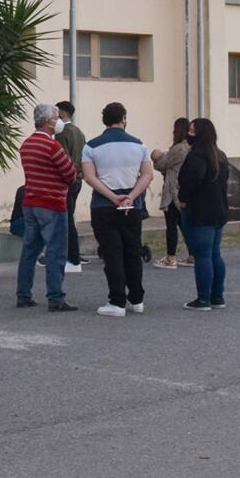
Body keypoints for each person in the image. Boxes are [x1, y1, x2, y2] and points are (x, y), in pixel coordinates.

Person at [82, 102, 155, 318]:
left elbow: (89, 176)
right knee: (132, 250)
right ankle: (137, 298)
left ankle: (116, 300)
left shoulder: (91, 146)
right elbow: (148, 174)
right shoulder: (139, 145)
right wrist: (131, 196)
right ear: (124, 118)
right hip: (132, 205)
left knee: (112, 253)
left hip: (104, 205)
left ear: (104, 119)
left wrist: (113, 196)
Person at [16, 104, 79, 312]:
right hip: (52, 203)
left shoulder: (26, 145)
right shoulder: (53, 147)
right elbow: (70, 174)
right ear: (46, 121)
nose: (58, 120)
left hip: (31, 202)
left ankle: (23, 295)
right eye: (55, 117)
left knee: (29, 251)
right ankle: (56, 298)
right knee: (56, 252)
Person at [178, 118, 231, 309]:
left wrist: (183, 199)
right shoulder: (220, 156)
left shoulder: (197, 157)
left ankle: (203, 299)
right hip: (218, 210)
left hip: (200, 211)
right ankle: (217, 296)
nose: (188, 134)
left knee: (202, 255)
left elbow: (190, 181)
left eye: (192, 131)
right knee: (215, 254)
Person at [151, 119, 190, 270]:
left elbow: (162, 164)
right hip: (184, 189)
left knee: (171, 225)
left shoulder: (179, 148)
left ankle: (171, 258)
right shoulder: (191, 148)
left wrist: (157, 158)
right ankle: (192, 254)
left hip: (174, 190)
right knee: (184, 224)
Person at [54, 100, 86, 272]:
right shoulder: (79, 132)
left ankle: (71, 256)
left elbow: (63, 158)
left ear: (63, 113)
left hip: (67, 180)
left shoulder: (61, 133)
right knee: (69, 216)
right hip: (78, 180)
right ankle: (73, 254)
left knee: (65, 219)